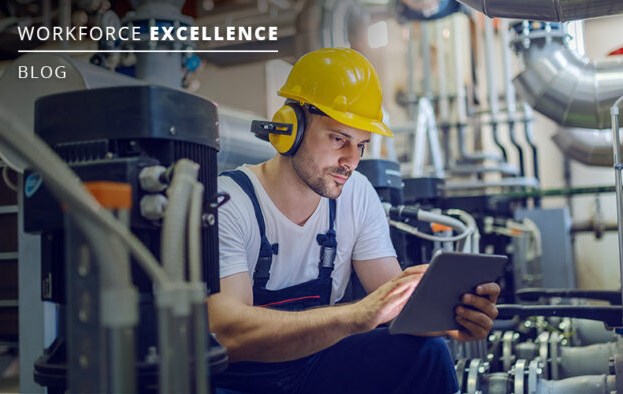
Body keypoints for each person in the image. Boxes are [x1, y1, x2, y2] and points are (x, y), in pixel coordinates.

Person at [209, 47, 500, 394]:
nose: (351, 160)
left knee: (427, 353)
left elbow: (392, 304)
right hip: (240, 382)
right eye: (339, 139)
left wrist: (447, 318)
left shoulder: (356, 193)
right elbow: (228, 332)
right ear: (289, 128)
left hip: (316, 365)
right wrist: (356, 315)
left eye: (361, 145)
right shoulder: (229, 201)